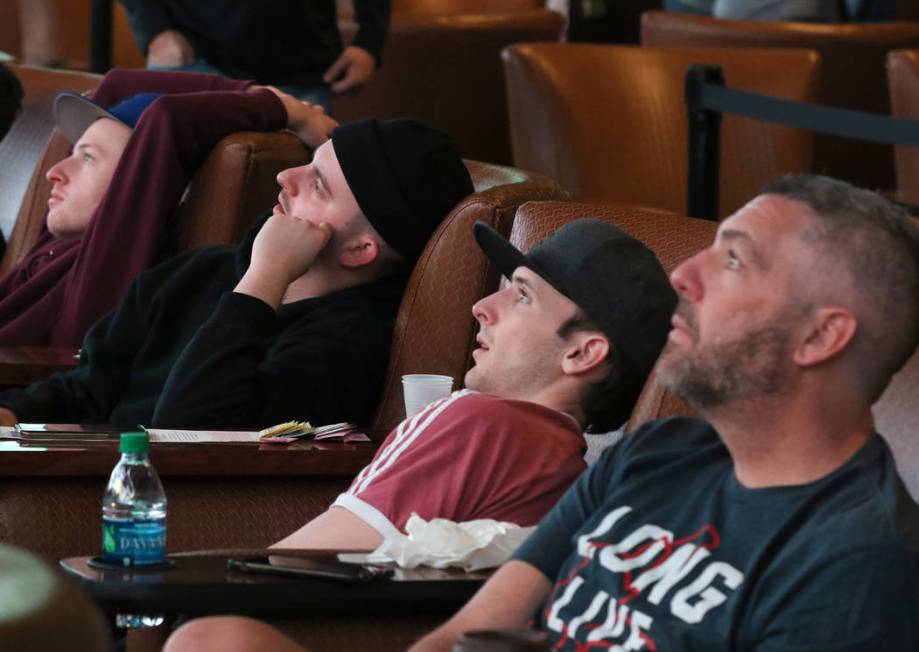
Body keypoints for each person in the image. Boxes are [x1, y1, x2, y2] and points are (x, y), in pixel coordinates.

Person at [409, 175, 919, 651]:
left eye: (734, 262)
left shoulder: (857, 566)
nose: (683, 276)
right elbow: (466, 634)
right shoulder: (654, 453)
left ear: (820, 336)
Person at [161, 217, 679, 652]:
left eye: (521, 297)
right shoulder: (567, 467)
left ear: (582, 354)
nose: (482, 307)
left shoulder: (475, 422)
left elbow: (272, 572)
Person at [0, 115, 473, 430]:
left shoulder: (347, 342)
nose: (286, 178)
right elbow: (86, 389)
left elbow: (190, 434)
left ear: (358, 249)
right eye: (308, 163)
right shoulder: (198, 272)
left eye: (318, 185)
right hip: (85, 474)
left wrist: (263, 278)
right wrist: (10, 415)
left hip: (153, 520)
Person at [0, 68, 337, 347]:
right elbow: (115, 83)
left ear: (137, 181)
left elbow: (168, 118)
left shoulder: (105, 262)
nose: (54, 173)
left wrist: (285, 111)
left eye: (87, 157)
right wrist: (259, 91)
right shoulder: (53, 243)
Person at [119, 0, 390, 110]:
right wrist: (154, 31)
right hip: (192, 60)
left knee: (292, 214)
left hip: (301, 68)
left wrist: (370, 39)